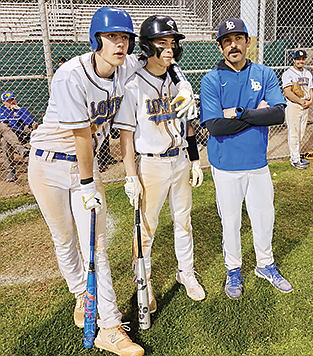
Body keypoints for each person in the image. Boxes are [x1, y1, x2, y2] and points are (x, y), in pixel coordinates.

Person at [28, 7, 194, 356]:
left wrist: (180, 83)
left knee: (97, 249)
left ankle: (110, 327)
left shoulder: (126, 68)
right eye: (111, 37)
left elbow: (163, 58)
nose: (120, 44)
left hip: (85, 168)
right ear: (95, 39)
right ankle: (80, 295)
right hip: (49, 165)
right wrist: (88, 185)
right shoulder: (70, 75)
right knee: (63, 240)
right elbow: (82, 139)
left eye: (124, 38)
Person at [115, 15, 205, 314]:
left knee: (184, 220)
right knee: (146, 228)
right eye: (162, 43)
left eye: (172, 43)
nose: (170, 49)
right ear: (146, 46)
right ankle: (145, 280)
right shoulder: (133, 84)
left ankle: (186, 272)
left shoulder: (178, 81)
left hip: (179, 159)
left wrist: (194, 159)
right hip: (151, 165)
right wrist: (130, 176)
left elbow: (188, 124)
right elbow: (125, 137)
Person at [200, 18, 293, 300]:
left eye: (238, 38)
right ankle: (234, 269)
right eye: (227, 41)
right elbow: (215, 126)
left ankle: (265, 265)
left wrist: (238, 112)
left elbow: (278, 114)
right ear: (220, 47)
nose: (233, 45)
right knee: (230, 221)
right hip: (226, 164)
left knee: (264, 217)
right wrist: (255, 113)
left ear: (248, 41)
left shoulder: (264, 74)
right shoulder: (211, 79)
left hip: (258, 163)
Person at [282, 50, 313, 169]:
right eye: (298, 59)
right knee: (294, 133)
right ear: (294, 60)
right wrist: (300, 101)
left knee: (301, 133)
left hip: (305, 105)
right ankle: (294, 159)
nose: (301, 61)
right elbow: (287, 92)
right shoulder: (288, 73)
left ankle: (297, 156)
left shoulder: (308, 73)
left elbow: (310, 89)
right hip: (293, 105)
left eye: (303, 59)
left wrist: (310, 101)